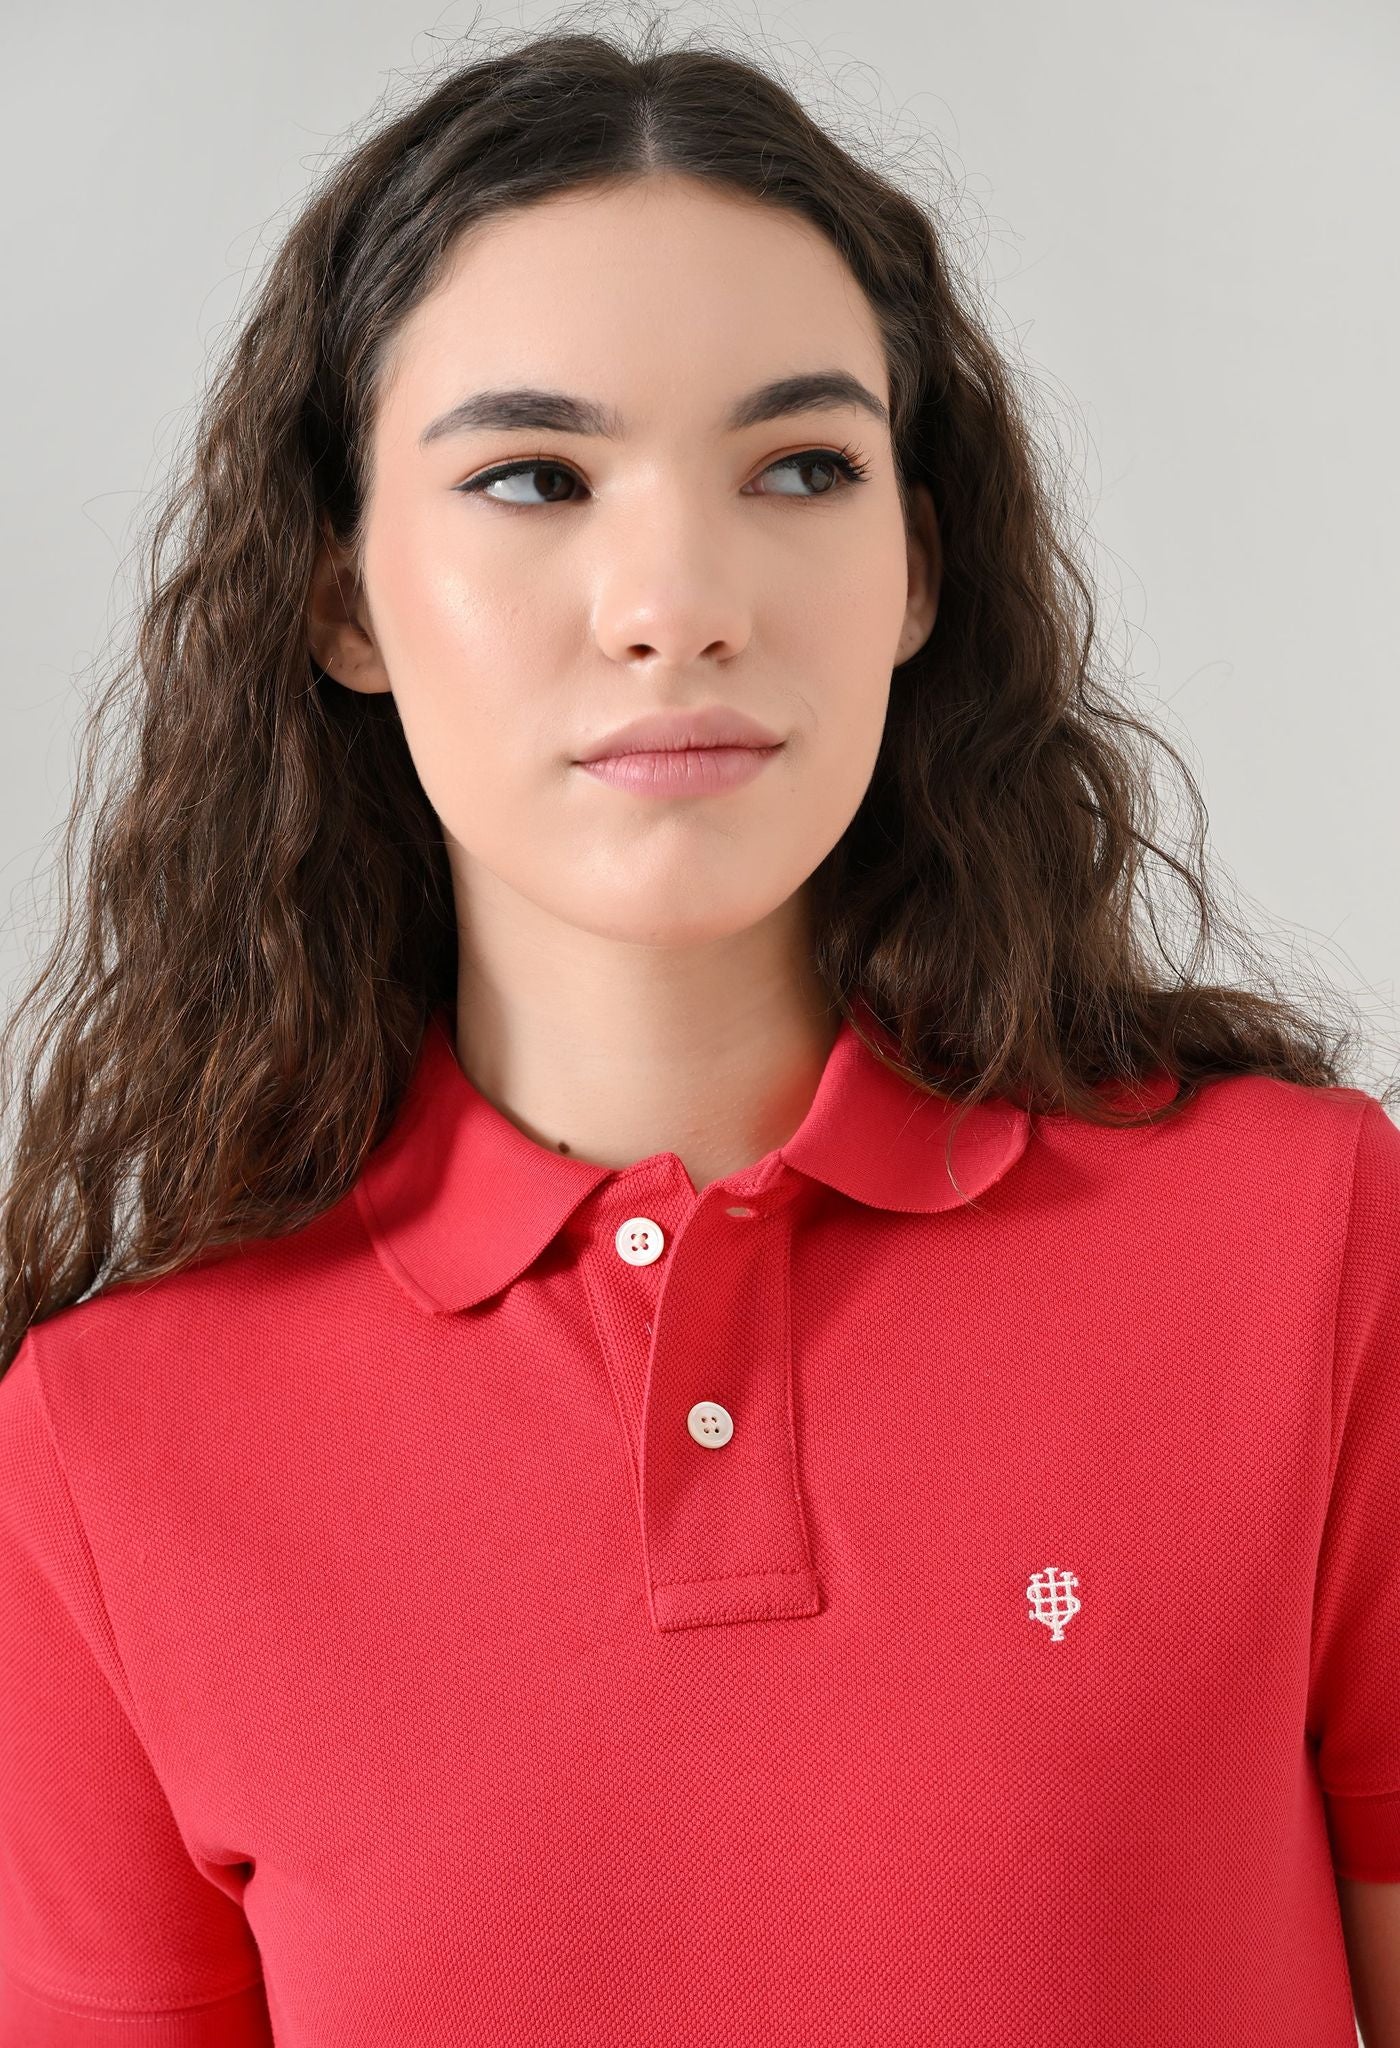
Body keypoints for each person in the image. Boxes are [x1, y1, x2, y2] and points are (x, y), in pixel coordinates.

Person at [1, 19, 1397, 2047]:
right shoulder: (103, 1455)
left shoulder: (1307, 1249)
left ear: (916, 569)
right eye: (532, 479)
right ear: (341, 599)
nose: (678, 601)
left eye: (799, 468)